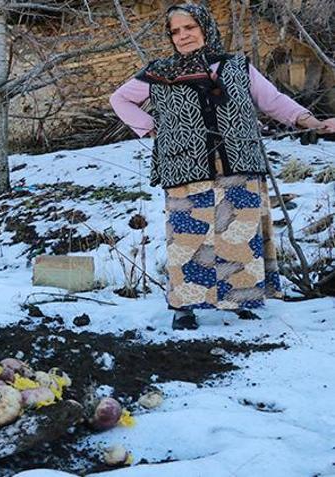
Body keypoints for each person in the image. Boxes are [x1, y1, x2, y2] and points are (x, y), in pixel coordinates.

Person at [110, 3, 335, 330]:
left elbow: (272, 101)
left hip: (237, 163)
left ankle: (239, 300)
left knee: (238, 235)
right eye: (176, 31)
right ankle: (185, 307)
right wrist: (151, 128)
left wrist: (309, 120)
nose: (183, 36)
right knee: (188, 239)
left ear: (204, 28)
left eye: (190, 28)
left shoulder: (236, 66)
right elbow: (119, 99)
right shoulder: (160, 72)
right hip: (185, 168)